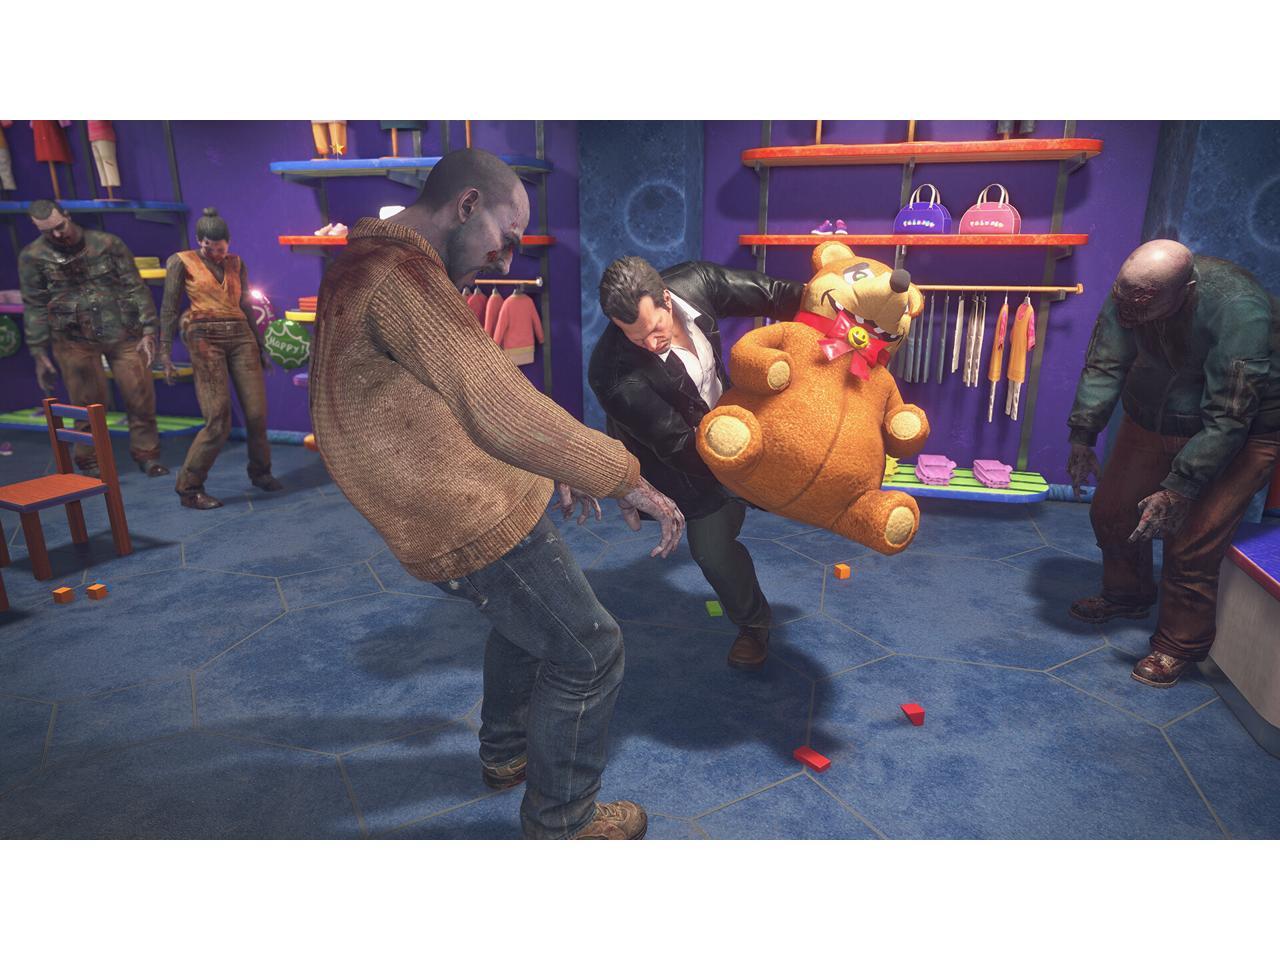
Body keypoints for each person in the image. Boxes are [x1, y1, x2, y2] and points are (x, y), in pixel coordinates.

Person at [309, 148, 685, 840]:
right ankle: (562, 821)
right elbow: (495, 405)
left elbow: (451, 401)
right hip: (460, 510)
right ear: (467, 205)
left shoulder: (361, 265)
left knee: (529, 627)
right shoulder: (402, 278)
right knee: (592, 649)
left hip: (442, 493)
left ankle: (507, 751)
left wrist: (547, 465)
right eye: (505, 239)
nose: (506, 261)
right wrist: (626, 477)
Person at [1066, 239, 1280, 687]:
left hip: (1243, 431)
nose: (1131, 315)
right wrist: (1083, 435)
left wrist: (1181, 485)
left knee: (1192, 542)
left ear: (1186, 291)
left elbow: (1229, 416)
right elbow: (1105, 364)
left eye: (1143, 307)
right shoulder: (1131, 292)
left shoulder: (1241, 310)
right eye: (1125, 303)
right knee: (1112, 512)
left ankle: (1178, 644)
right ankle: (1127, 595)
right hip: (1153, 416)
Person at [590, 256, 804, 670]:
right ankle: (753, 623)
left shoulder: (695, 282)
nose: (650, 344)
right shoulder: (613, 374)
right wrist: (753, 477)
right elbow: (678, 445)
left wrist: (830, 307)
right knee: (710, 550)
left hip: (734, 413)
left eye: (655, 329)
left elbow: (775, 294)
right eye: (635, 337)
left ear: (667, 299)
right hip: (685, 462)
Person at [19, 198, 168, 478]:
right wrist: (38, 350)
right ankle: (90, 460)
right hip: (73, 338)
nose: (57, 235)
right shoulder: (32, 257)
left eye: (59, 227)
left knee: (140, 396)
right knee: (87, 404)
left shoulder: (107, 244)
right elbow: (34, 304)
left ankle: (147, 454)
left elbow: (136, 287)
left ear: (67, 215)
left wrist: (149, 328)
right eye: (47, 231)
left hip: (123, 331)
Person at [159, 207, 281, 509]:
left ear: (228, 243)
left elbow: (245, 304)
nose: (215, 254)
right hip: (204, 337)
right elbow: (170, 307)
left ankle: (261, 472)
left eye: (220, 249)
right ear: (199, 241)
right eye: (209, 248)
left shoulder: (236, 263)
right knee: (218, 419)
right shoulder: (181, 261)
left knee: (257, 414)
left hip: (241, 336)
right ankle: (189, 488)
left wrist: (260, 345)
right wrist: (165, 350)